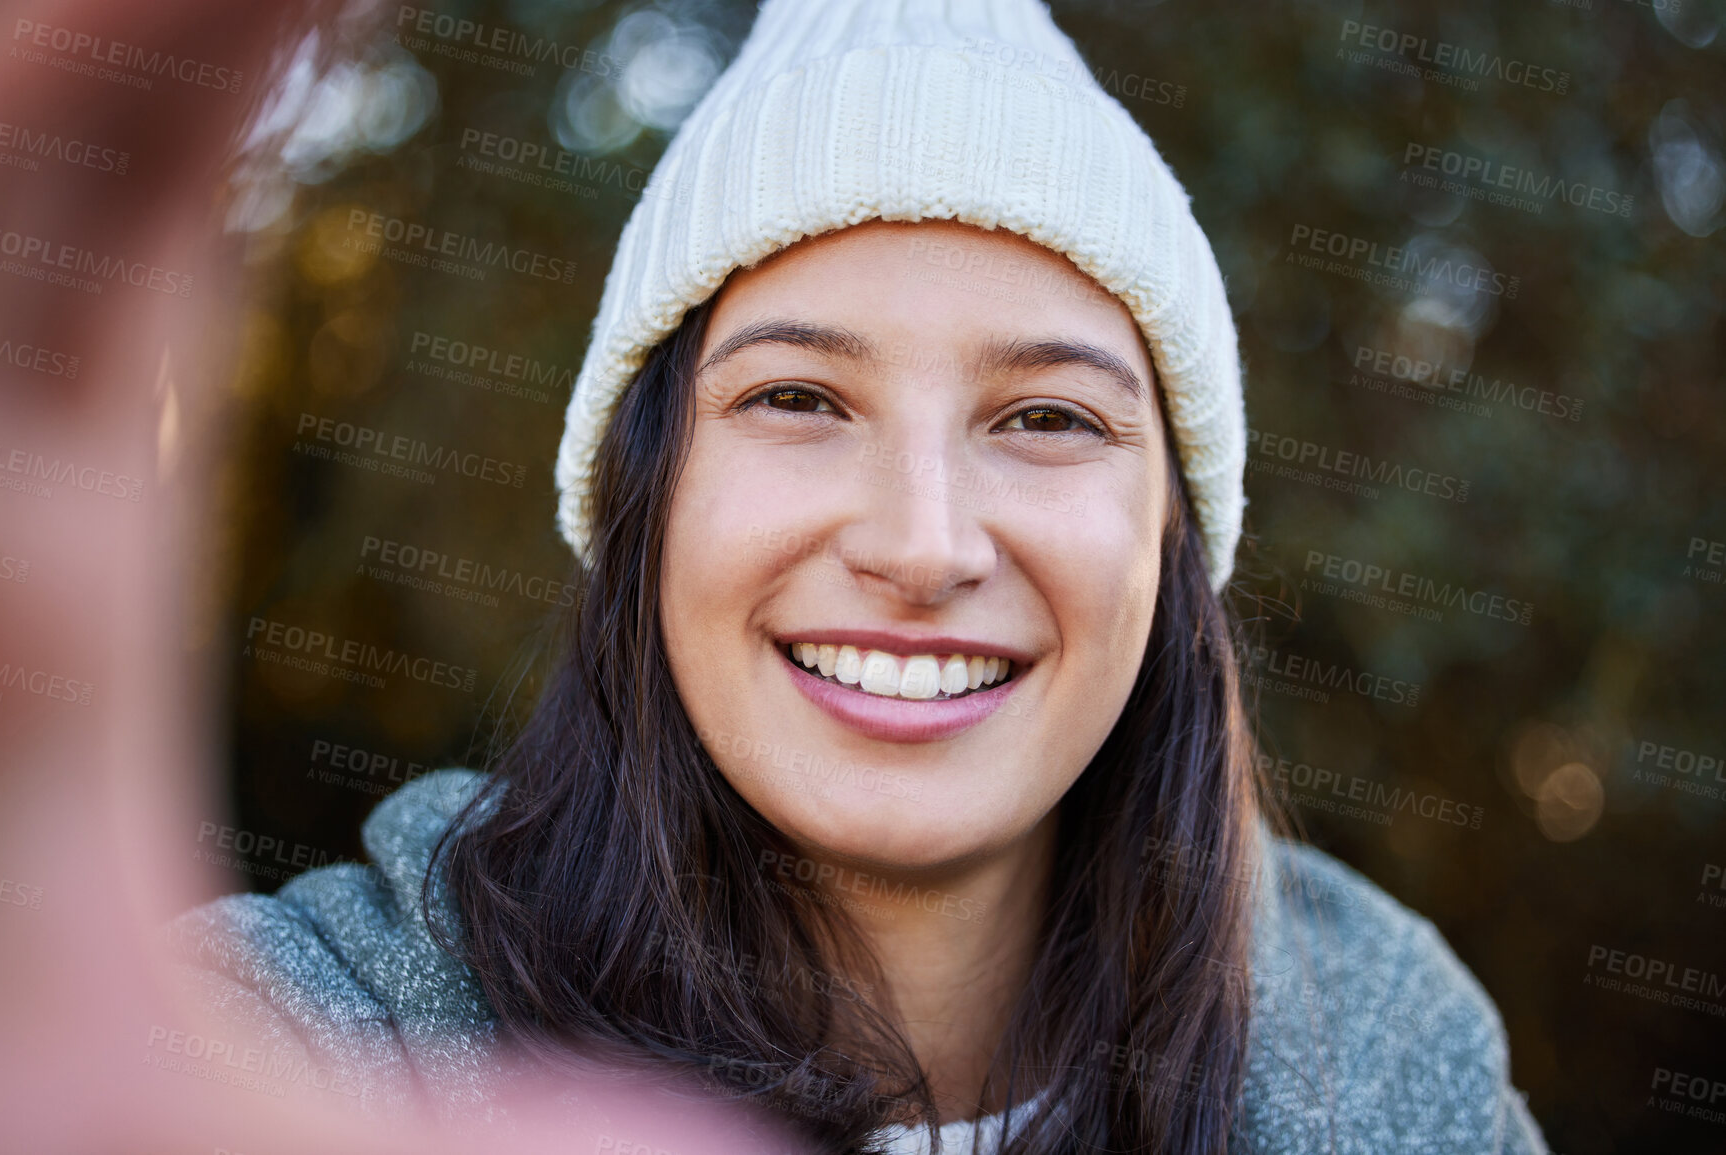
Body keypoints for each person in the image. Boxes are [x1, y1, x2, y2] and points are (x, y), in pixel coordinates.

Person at [165, 1, 1552, 1152]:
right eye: (799, 400)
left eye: (1048, 419)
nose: (923, 545)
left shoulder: (1390, 1064)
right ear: (643, 501)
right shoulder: (299, 1058)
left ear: (1177, 543)